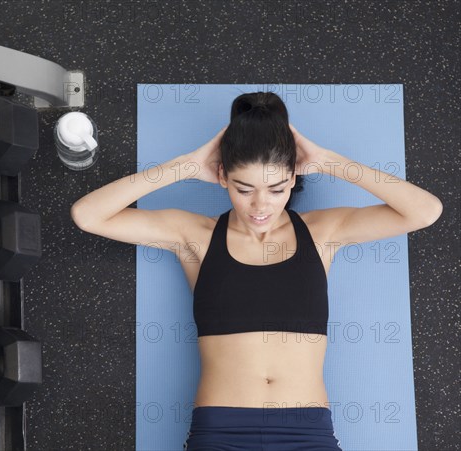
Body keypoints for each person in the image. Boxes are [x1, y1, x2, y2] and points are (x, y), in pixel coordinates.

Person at [70, 92, 443, 450]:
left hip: (307, 433)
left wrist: (329, 161)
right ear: (222, 177)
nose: (260, 205)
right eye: (244, 189)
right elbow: (87, 216)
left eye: (277, 188)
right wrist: (184, 165)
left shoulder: (322, 233)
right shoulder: (195, 237)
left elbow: (424, 211)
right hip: (219, 432)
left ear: (294, 178)